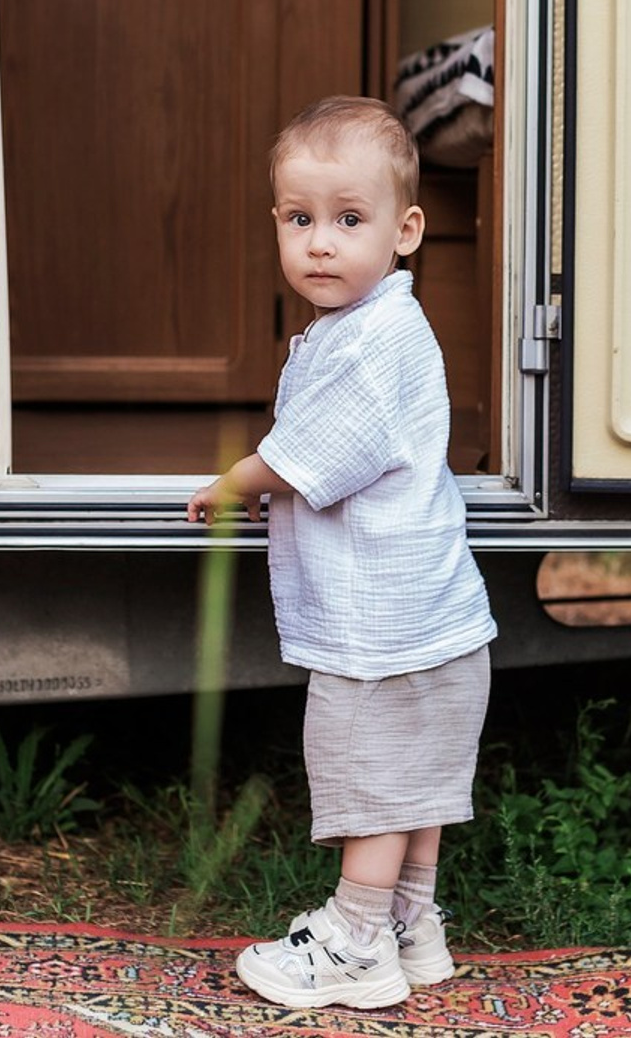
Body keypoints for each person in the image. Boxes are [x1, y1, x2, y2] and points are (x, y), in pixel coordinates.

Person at [187, 95, 497, 1010]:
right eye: (299, 220)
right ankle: (412, 923)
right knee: (418, 779)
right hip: (432, 613)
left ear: (405, 232)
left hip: (382, 630)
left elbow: (310, 451)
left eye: (348, 221)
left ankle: (358, 941)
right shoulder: (376, 326)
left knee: (372, 782)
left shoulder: (373, 342)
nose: (320, 243)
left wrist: (231, 483)